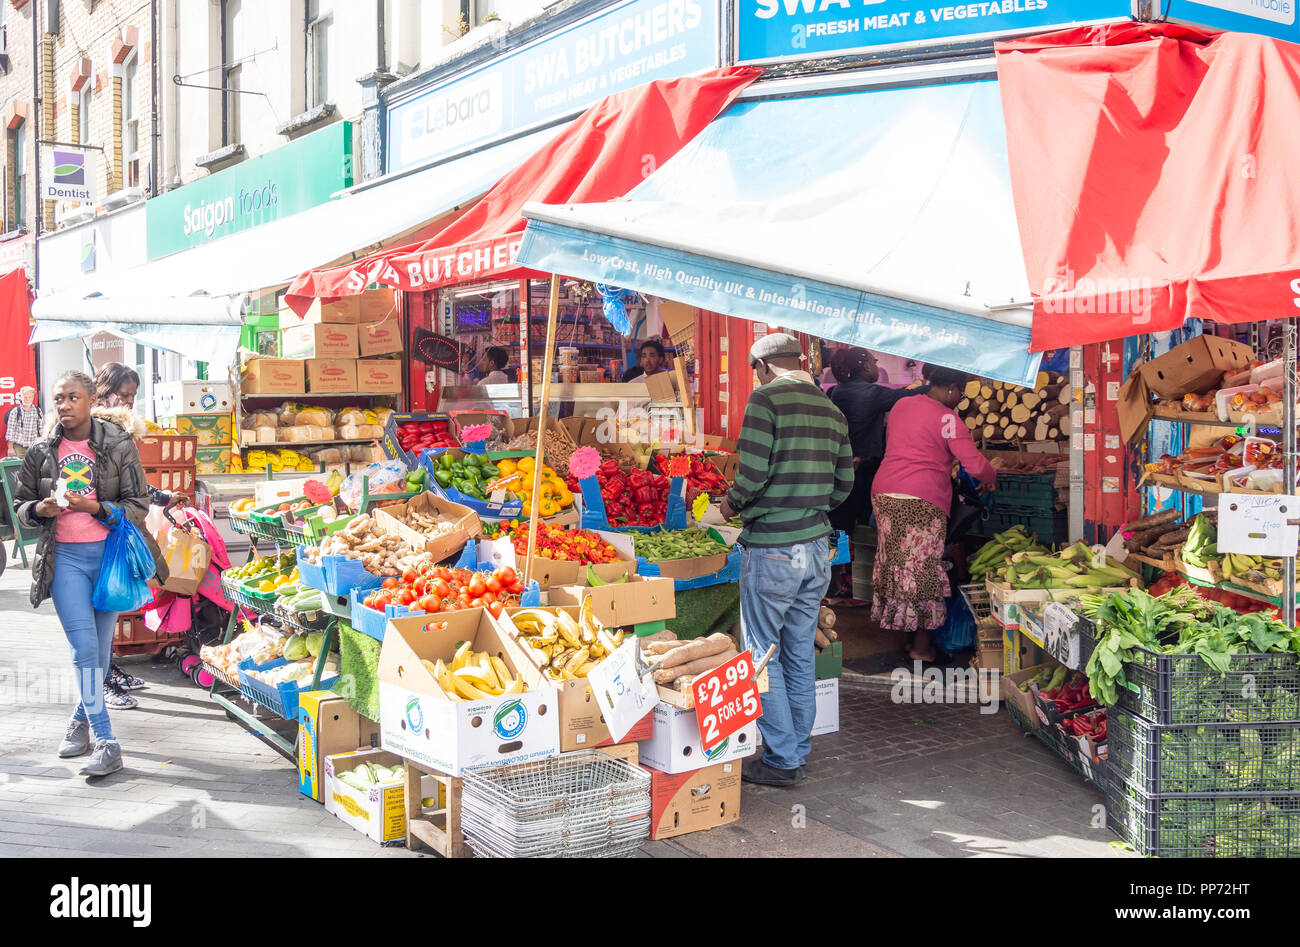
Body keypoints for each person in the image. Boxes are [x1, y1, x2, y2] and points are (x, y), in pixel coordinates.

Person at [13, 371, 164, 777]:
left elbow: (138, 504)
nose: (64, 405)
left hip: (109, 559)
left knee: (98, 655)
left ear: (91, 398)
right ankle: (107, 741)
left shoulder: (117, 443)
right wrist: (38, 510)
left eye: (72, 397)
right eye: (58, 398)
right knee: (84, 652)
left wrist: (95, 508)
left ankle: (79, 721)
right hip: (65, 561)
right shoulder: (42, 450)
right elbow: (20, 505)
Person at [719, 333, 854, 788]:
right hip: (816, 546)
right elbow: (844, 483)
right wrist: (810, 507)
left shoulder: (765, 401)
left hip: (772, 546)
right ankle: (797, 749)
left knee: (761, 653)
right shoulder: (831, 409)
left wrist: (730, 505)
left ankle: (780, 759)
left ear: (762, 365)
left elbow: (752, 474)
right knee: (799, 652)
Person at [870, 364, 996, 663]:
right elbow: (975, 465)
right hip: (922, 499)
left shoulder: (902, 405)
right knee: (923, 569)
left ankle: (906, 640)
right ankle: (922, 648)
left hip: (885, 492)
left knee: (898, 566)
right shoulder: (948, 419)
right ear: (952, 387)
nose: (960, 399)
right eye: (960, 393)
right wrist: (993, 475)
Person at [93, 363, 189, 708]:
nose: (129, 402)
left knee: (111, 607)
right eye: (124, 395)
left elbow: (131, 481)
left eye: (133, 396)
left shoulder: (117, 429)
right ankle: (100, 683)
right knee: (99, 611)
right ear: (105, 392)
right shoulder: (98, 431)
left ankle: (109, 670)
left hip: (116, 529)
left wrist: (161, 498)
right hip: (101, 531)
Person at [825, 348, 929, 602]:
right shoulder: (872, 393)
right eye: (873, 362)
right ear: (863, 365)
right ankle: (873, 588)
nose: (875, 365)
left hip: (839, 469)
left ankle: (831, 586)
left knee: (839, 530)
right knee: (873, 527)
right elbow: (911, 395)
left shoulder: (835, 392)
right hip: (864, 472)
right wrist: (932, 384)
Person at [6, 386, 43, 459]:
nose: (27, 399)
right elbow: (10, 431)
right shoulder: (15, 412)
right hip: (18, 448)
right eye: (25, 397)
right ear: (21, 397)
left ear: (32, 398)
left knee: (33, 469)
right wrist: (10, 448)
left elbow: (41, 429)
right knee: (17, 469)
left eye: (29, 397)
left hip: (33, 447)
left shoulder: (38, 411)